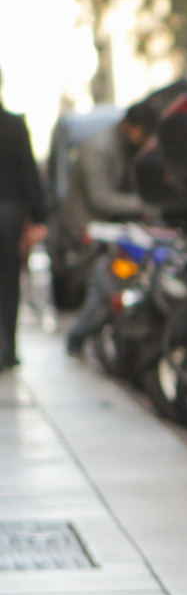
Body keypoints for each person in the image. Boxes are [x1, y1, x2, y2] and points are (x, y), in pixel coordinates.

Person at [62, 99, 155, 357]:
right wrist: (144, 206)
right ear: (129, 126)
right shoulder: (99, 148)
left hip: (114, 227)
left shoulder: (127, 147)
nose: (144, 139)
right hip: (91, 227)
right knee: (105, 287)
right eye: (142, 133)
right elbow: (100, 198)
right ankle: (78, 336)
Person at [0, 69, 49, 370]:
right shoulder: (14, 125)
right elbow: (29, 173)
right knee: (9, 281)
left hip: (10, 210)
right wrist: (39, 216)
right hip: (9, 213)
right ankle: (8, 350)